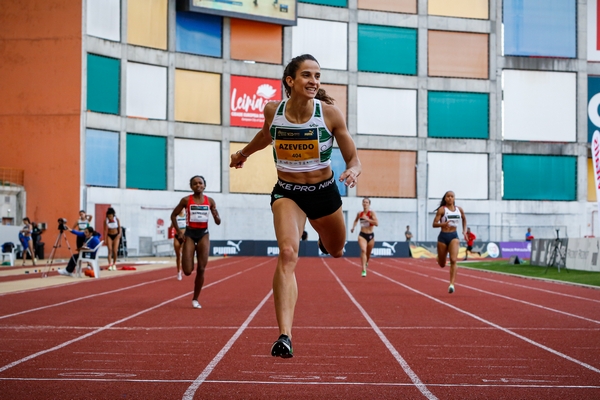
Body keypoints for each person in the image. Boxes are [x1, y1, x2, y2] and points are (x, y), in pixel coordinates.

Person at [229, 54, 361, 358]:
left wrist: (353, 170)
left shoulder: (329, 114)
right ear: (290, 81)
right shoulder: (272, 110)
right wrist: (243, 154)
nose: (314, 81)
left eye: (317, 76)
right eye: (307, 75)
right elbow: (266, 135)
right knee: (288, 253)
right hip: (288, 193)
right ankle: (285, 335)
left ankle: (322, 236)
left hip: (324, 192)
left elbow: (353, 157)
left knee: (336, 250)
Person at [171, 175, 221, 309]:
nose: (198, 185)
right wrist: (179, 231)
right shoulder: (186, 200)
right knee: (187, 271)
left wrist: (215, 214)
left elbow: (218, 222)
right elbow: (173, 215)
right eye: (195, 183)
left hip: (203, 234)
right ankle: (188, 258)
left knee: (201, 268)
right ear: (191, 186)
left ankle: (195, 299)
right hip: (190, 234)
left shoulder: (210, 201)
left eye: (200, 183)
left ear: (204, 185)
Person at [432, 191, 467, 294]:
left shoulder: (459, 210)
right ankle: (439, 258)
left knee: (453, 260)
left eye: (452, 196)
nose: (450, 198)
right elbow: (434, 224)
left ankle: (452, 284)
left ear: (454, 198)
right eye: (448, 196)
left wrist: (464, 231)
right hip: (443, 237)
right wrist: (442, 224)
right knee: (442, 264)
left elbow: (464, 219)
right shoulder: (442, 210)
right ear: (445, 198)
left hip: (454, 236)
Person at [351, 198, 378, 277]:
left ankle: (366, 262)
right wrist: (353, 227)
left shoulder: (371, 213)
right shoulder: (360, 213)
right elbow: (356, 220)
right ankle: (363, 269)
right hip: (362, 235)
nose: (365, 203)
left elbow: (376, 223)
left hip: (371, 236)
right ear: (362, 204)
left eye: (367, 202)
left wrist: (367, 219)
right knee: (363, 250)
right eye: (364, 202)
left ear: (369, 204)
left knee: (368, 254)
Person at [170, 208, 187, 281]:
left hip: (184, 237)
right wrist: (172, 223)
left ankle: (184, 268)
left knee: (183, 254)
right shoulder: (176, 217)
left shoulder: (186, 216)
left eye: (183, 208)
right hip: (177, 237)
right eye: (181, 208)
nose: (182, 210)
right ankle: (179, 272)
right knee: (178, 256)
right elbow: (171, 227)